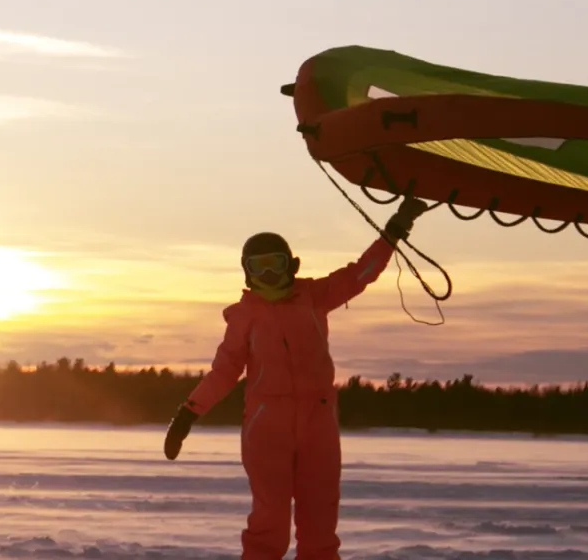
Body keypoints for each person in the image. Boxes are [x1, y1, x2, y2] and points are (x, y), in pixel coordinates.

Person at [162, 195, 430, 560]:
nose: (269, 275)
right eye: (259, 267)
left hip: (318, 422)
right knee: (269, 521)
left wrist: (396, 228)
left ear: (291, 264)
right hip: (265, 426)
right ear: (247, 272)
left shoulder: (315, 296)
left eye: (275, 264)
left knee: (319, 521)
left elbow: (362, 273)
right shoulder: (245, 316)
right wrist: (187, 414)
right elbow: (224, 372)